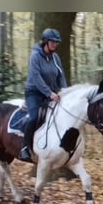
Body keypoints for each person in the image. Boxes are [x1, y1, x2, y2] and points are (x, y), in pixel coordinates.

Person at [18, 28, 68, 162]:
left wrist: (65, 91)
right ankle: (25, 148)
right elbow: (36, 77)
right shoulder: (35, 56)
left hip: (50, 93)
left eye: (57, 42)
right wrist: (49, 93)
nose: (55, 45)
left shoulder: (55, 57)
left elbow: (61, 75)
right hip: (34, 92)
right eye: (53, 42)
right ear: (45, 41)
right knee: (34, 117)